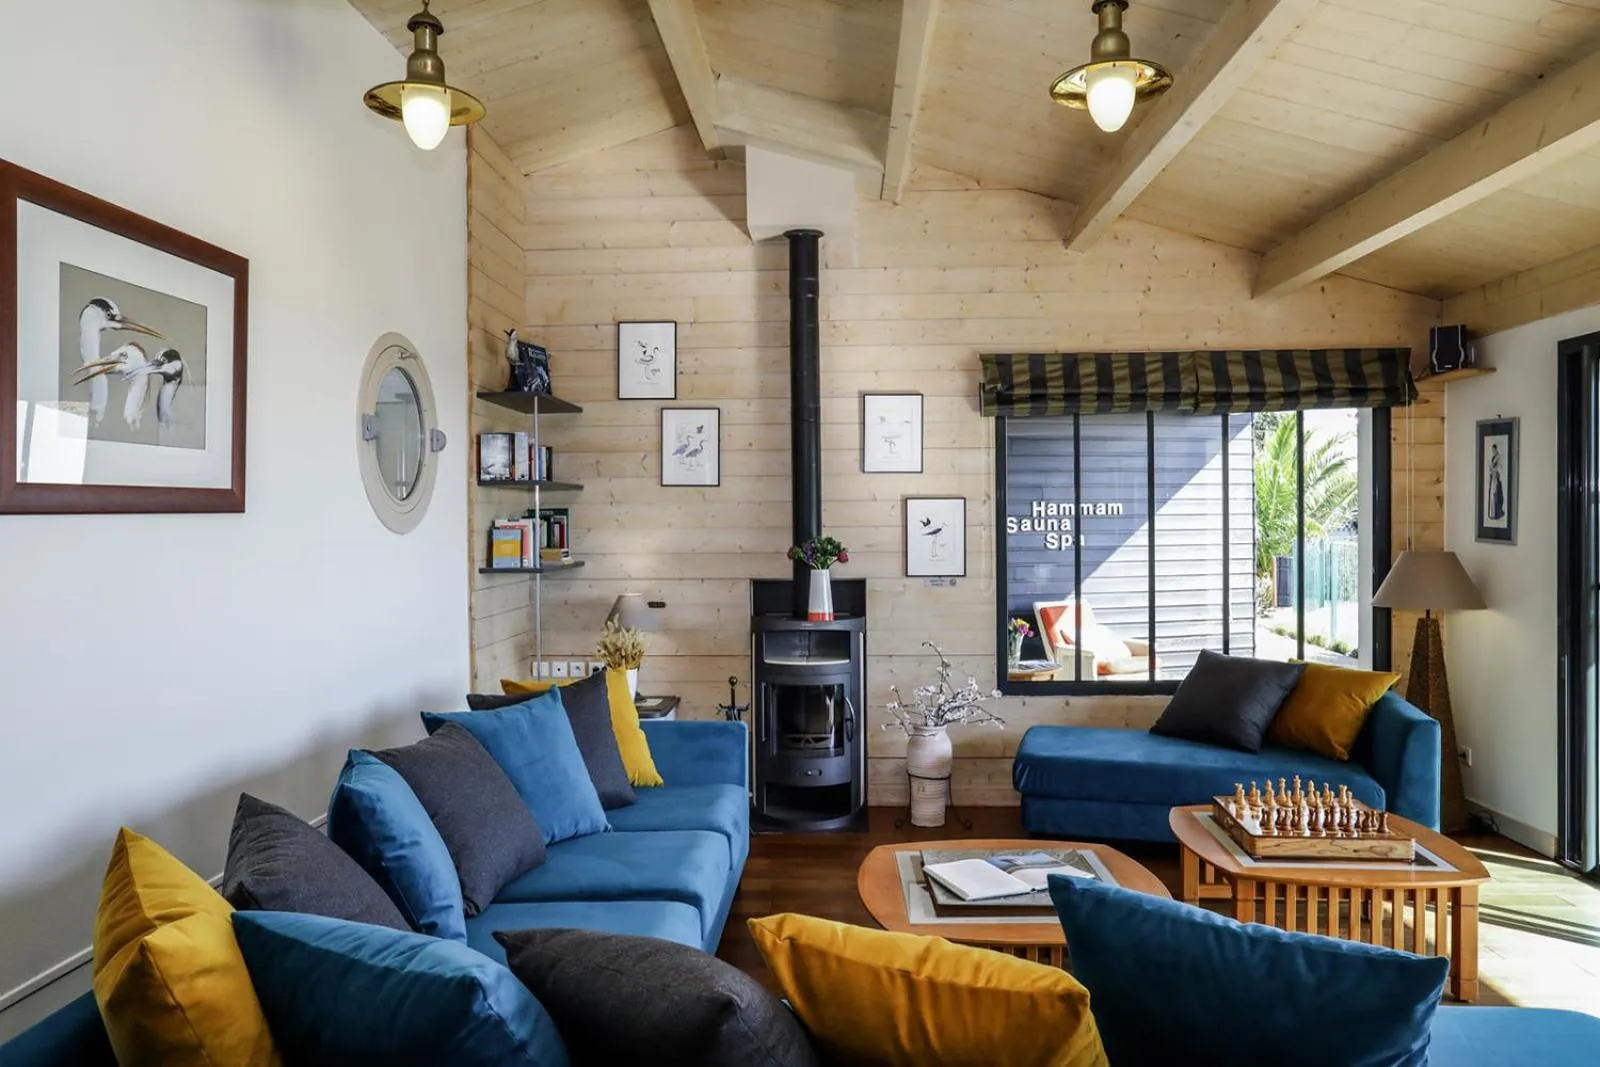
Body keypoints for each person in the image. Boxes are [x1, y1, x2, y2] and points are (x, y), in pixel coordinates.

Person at [1487, 443, 1505, 521]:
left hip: (1496, 477)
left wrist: (1494, 469)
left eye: (1494, 450)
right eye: (1492, 450)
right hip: (1492, 477)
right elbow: (1491, 468)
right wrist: (1491, 469)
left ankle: (1497, 513)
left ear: (1496, 449)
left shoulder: (1498, 457)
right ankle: (1492, 513)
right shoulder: (1493, 457)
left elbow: (1500, 467)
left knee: (1496, 494)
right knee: (1492, 494)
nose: (1493, 451)